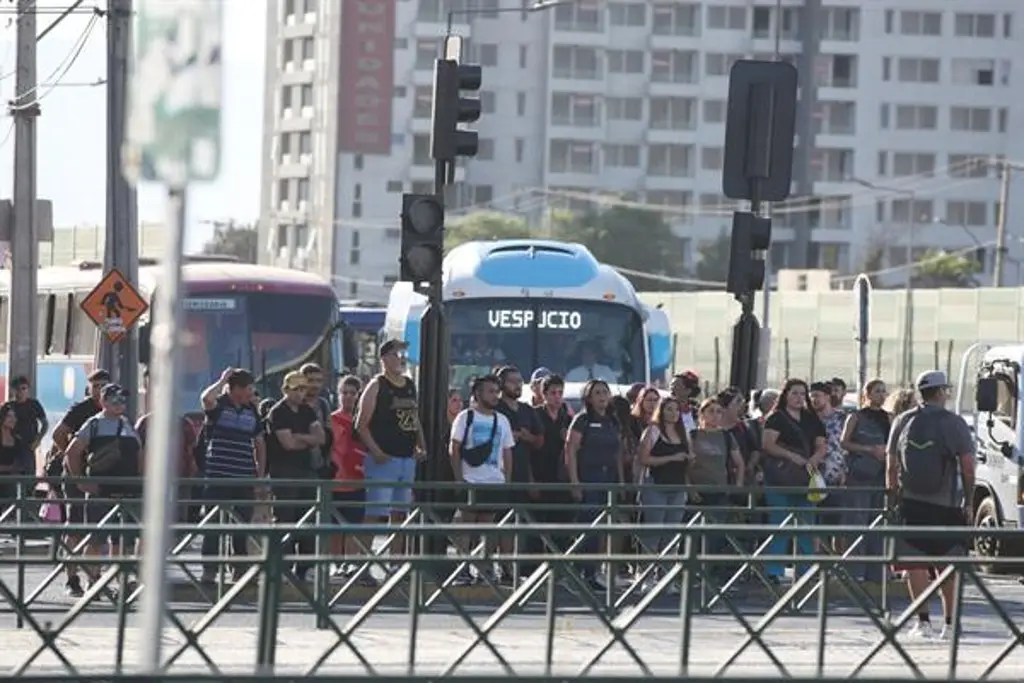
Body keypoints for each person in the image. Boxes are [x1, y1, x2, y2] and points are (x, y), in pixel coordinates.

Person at [886, 371, 974, 640]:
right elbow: (968, 467)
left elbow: (891, 465)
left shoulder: (903, 420)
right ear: (941, 392)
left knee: (915, 564)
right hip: (945, 503)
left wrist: (893, 496)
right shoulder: (954, 423)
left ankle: (922, 623)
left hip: (911, 502)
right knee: (948, 563)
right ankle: (950, 625)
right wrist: (969, 501)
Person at [63, 384, 143, 592]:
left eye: (123, 399)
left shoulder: (127, 424)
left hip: (128, 490)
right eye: (115, 399)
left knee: (124, 539)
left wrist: (142, 480)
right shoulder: (94, 424)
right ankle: (94, 581)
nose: (121, 404)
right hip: (102, 490)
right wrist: (80, 480)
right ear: (104, 402)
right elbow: (72, 452)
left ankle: (122, 580)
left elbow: (140, 454)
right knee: (96, 539)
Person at [356, 339, 425, 562]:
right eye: (396, 354)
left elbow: (414, 418)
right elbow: (361, 423)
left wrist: (421, 444)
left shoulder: (409, 384)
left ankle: (396, 563)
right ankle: (362, 564)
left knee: (400, 514)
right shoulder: (377, 385)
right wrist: (376, 451)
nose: (401, 359)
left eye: (403, 355)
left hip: (407, 458)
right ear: (384, 358)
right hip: (383, 459)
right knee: (375, 513)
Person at [198, 368, 267, 583]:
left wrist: (260, 475)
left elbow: (259, 443)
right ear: (235, 389)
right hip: (218, 475)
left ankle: (238, 569)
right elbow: (205, 398)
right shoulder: (219, 405)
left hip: (244, 476)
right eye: (247, 388)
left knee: (241, 525)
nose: (251, 392)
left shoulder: (251, 410)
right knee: (212, 525)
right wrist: (222, 379)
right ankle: (209, 570)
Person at [49, 368, 110, 597]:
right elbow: (58, 433)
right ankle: (72, 579)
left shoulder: (111, 411)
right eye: (95, 386)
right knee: (74, 524)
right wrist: (72, 455)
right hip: (75, 474)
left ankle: (94, 578)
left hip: (99, 476)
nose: (98, 391)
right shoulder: (81, 409)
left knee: (96, 528)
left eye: (103, 386)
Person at [449, 375, 515, 585]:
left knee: (488, 528)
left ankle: (484, 568)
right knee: (466, 526)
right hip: (470, 479)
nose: (495, 395)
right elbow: (454, 448)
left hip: (494, 481)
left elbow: (507, 452)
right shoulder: (465, 417)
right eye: (490, 391)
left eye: (497, 391)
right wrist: (459, 478)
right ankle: (462, 568)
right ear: (478, 393)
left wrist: (507, 480)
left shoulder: (502, 420)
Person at [760, 379, 826, 582]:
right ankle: (774, 571)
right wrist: (790, 456)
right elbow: (768, 444)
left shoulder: (811, 419)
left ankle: (805, 570)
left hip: (805, 478)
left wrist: (814, 459)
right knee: (780, 525)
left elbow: (821, 444)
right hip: (780, 478)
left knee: (807, 526)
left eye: (802, 394)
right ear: (786, 395)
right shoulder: (776, 418)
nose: (799, 398)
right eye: (794, 393)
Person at [564, 379, 623, 591]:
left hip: (609, 479)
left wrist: (621, 481)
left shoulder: (612, 421)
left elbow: (618, 452)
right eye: (597, 393)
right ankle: (576, 571)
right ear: (588, 397)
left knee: (602, 528)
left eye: (605, 392)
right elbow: (570, 450)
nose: (602, 397)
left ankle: (592, 573)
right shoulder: (582, 420)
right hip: (588, 477)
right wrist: (574, 482)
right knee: (586, 526)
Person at [267, 371, 325, 581]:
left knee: (307, 519)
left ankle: (305, 567)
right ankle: (282, 565)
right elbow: (287, 444)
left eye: (303, 389)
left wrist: (299, 436)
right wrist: (306, 439)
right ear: (285, 390)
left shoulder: (307, 411)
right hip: (283, 470)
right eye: (296, 389)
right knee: (285, 518)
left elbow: (321, 437)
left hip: (306, 469)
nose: (301, 393)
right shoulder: (278, 412)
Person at [636, 396, 692, 592]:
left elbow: (689, 461)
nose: (673, 413)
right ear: (662, 411)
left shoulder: (683, 434)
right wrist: (671, 458)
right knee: (653, 532)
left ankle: (667, 577)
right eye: (669, 409)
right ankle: (647, 576)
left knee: (672, 533)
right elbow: (644, 458)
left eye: (676, 410)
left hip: (677, 488)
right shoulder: (652, 431)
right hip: (656, 485)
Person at [494, 366, 542, 582]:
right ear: (502, 384)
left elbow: (540, 441)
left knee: (516, 523)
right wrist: (509, 436)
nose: (517, 385)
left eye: (519, 380)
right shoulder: (496, 409)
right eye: (512, 381)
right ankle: (499, 566)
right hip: (498, 472)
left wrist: (527, 436)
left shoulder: (527, 410)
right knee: (498, 521)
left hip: (523, 470)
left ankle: (511, 567)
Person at [840, 378, 890, 582]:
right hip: (859, 475)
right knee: (857, 520)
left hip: (880, 475)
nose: (881, 395)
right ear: (867, 394)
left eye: (883, 391)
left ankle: (876, 572)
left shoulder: (889, 418)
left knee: (878, 523)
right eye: (877, 391)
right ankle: (854, 571)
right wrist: (869, 450)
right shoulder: (856, 417)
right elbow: (844, 442)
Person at [329, 375, 371, 581]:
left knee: (354, 525)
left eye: (352, 393)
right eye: (343, 392)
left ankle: (352, 564)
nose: (348, 397)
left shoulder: (365, 422)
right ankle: (336, 565)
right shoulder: (332, 419)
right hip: (336, 480)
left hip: (358, 479)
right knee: (335, 528)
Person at [809, 381, 849, 553]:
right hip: (814, 477)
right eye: (811, 397)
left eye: (817, 396)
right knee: (814, 522)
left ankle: (839, 563)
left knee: (839, 524)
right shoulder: (807, 420)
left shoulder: (842, 418)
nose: (814, 400)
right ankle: (816, 562)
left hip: (836, 476)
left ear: (827, 397)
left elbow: (846, 446)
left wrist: (844, 470)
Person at [9, 376, 47, 477]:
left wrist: (38, 440)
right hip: (12, 447)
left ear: (28, 390)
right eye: (17, 389)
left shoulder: (34, 404)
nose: (21, 392)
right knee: (12, 478)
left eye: (23, 388)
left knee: (29, 479)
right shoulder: (8, 406)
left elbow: (45, 424)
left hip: (29, 445)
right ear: (13, 391)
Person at [0, 402, 25, 507]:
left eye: (14, 416)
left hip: (10, 484)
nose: (13, 419)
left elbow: (20, 465)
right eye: (9, 416)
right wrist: (10, 468)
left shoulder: (17, 440)